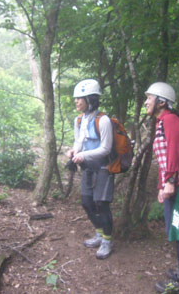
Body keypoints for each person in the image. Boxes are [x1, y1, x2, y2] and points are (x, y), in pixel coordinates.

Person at [144, 82, 179, 293]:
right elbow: (163, 158)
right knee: (177, 227)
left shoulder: (171, 120)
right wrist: (161, 184)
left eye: (150, 97)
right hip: (175, 180)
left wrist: (170, 181)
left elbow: (174, 152)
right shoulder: (161, 122)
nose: (146, 101)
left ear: (161, 101)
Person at [67, 79, 114, 259]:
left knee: (102, 205)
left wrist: (84, 155)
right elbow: (79, 141)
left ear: (91, 99)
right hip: (87, 167)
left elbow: (106, 148)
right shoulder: (79, 120)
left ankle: (107, 241)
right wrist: (74, 151)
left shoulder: (103, 121)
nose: (76, 102)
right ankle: (99, 233)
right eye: (76, 98)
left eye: (80, 98)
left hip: (103, 168)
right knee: (87, 203)